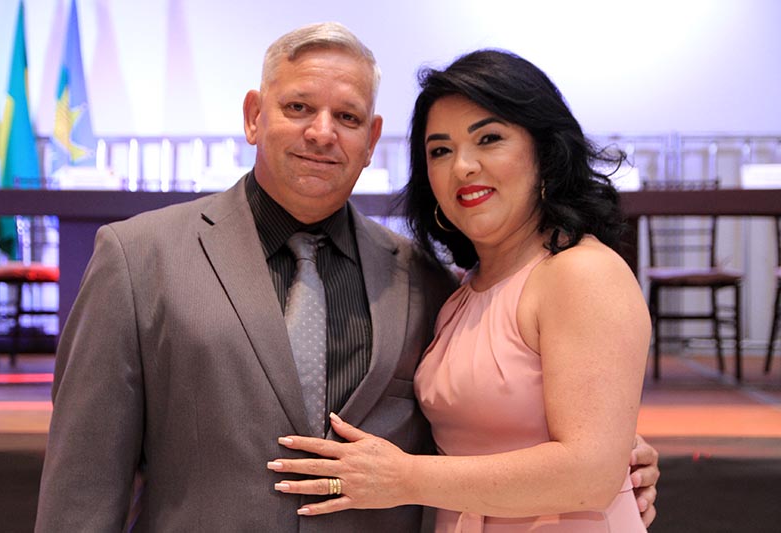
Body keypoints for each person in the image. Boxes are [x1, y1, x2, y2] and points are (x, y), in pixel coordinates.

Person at [35, 23, 657, 532]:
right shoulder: (139, 257)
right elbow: (83, 478)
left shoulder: (420, 279)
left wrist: (614, 458)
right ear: (254, 116)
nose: (321, 132)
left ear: (371, 139)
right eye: (298, 107)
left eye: (348, 116)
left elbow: (549, 427)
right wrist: (600, 461)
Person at [267, 49, 655, 532]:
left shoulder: (581, 272)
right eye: (440, 151)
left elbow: (590, 474)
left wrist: (404, 478)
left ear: (546, 152)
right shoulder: (457, 291)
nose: (463, 166)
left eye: (489, 139)